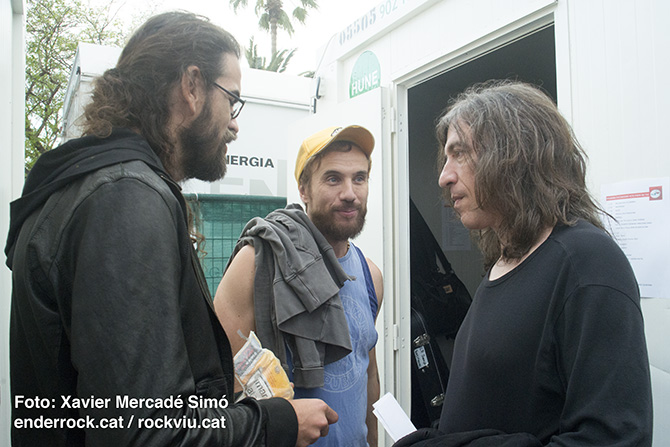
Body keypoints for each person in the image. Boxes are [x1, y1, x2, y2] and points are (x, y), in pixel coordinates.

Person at [6, 11, 336, 447]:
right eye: (232, 100)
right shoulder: (125, 198)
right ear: (192, 86)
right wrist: (276, 423)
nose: (235, 123)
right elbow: (147, 432)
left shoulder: (96, 187)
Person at [396, 80, 653, 447]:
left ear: (515, 154)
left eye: (460, 153)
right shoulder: (503, 263)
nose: (444, 176)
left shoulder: (586, 262)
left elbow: (613, 438)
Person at [214, 125, 384, 447]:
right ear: (304, 190)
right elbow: (221, 383)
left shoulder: (370, 275)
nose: (350, 193)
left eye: (359, 178)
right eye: (333, 179)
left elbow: (367, 372)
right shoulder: (258, 263)